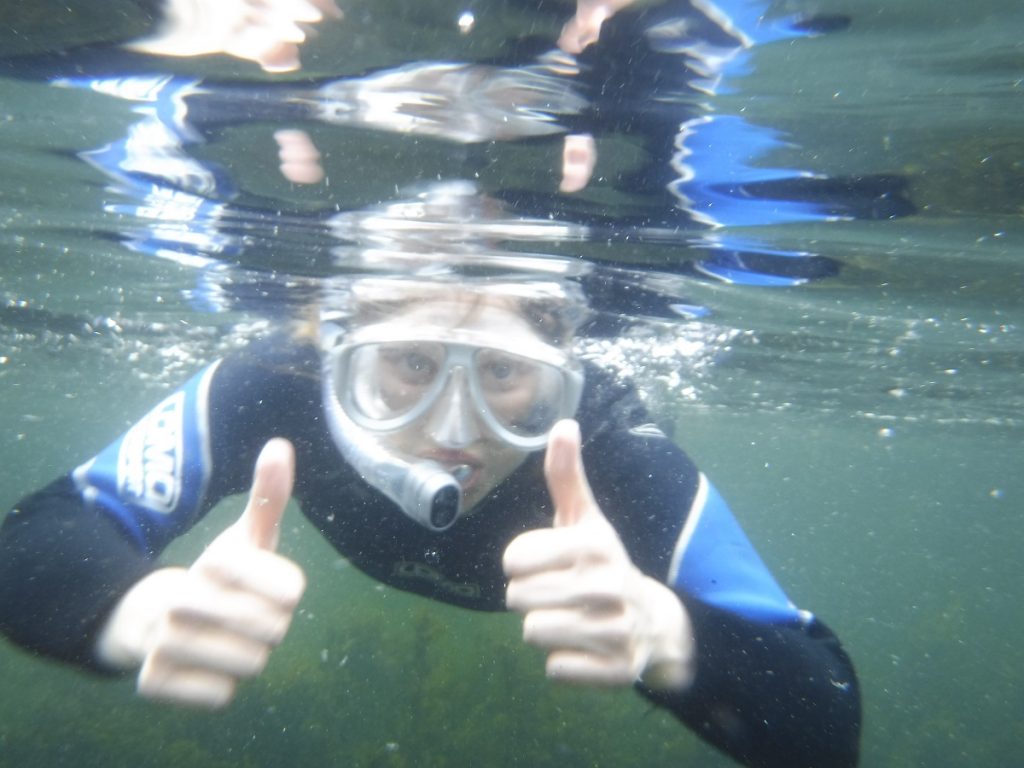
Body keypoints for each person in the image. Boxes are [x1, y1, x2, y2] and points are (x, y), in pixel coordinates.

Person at [0, 275, 861, 768]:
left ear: (561, 381)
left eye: (503, 375)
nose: (459, 431)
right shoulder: (275, 384)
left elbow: (823, 719)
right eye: (411, 365)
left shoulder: (610, 453)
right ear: (337, 361)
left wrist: (670, 633)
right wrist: (129, 610)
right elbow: (43, 534)